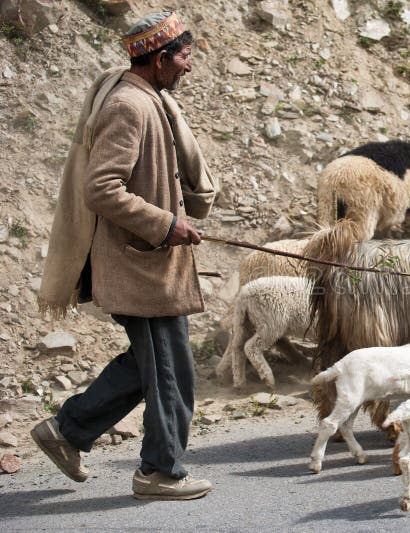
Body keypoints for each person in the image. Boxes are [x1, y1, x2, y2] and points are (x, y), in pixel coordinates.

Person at [32, 11, 219, 500]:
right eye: (183, 57)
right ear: (159, 60)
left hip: (150, 262)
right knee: (170, 369)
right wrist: (166, 223)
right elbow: (101, 188)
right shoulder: (128, 106)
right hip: (138, 263)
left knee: (148, 366)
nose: (188, 67)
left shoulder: (149, 98)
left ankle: (68, 431)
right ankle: (159, 471)